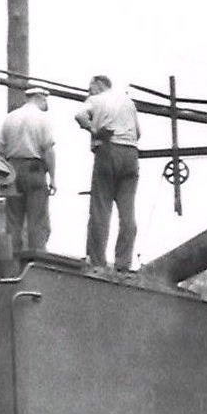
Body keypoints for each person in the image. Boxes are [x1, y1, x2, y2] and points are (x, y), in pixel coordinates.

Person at [74, 74, 140, 271]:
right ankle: (123, 264)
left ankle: (97, 262)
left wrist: (94, 130)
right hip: (131, 154)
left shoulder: (96, 100)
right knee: (127, 213)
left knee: (101, 209)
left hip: (108, 150)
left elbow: (79, 116)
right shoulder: (129, 102)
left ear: (100, 85)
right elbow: (139, 132)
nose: (88, 92)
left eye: (90, 88)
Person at [0, 85, 56, 254]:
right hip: (35, 170)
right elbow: (48, 150)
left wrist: (4, 174)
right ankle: (37, 262)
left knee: (13, 220)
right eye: (45, 99)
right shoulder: (42, 119)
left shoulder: (10, 118)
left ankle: (12, 261)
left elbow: (0, 150)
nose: (46, 103)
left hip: (12, 169)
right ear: (39, 97)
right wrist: (53, 178)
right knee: (37, 221)